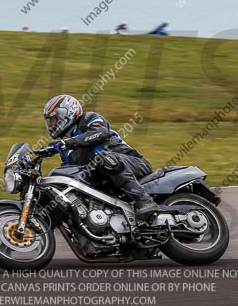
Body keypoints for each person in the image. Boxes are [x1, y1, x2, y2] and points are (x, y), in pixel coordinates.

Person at [42, 94, 158, 222]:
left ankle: (145, 201)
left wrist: (67, 143)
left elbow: (100, 133)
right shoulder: (65, 150)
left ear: (67, 114)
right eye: (49, 121)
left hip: (135, 164)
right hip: (108, 180)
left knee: (102, 158)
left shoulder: (89, 119)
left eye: (53, 119)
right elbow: (70, 174)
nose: (51, 124)